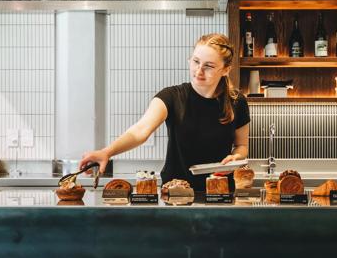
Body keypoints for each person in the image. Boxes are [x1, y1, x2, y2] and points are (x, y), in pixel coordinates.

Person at [79, 33, 250, 192]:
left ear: (226, 69)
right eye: (196, 61)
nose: (199, 71)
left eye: (209, 66)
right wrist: (107, 152)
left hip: (220, 191)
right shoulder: (172, 97)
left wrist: (235, 159)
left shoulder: (237, 102)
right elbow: (140, 130)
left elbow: (241, 146)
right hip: (176, 192)